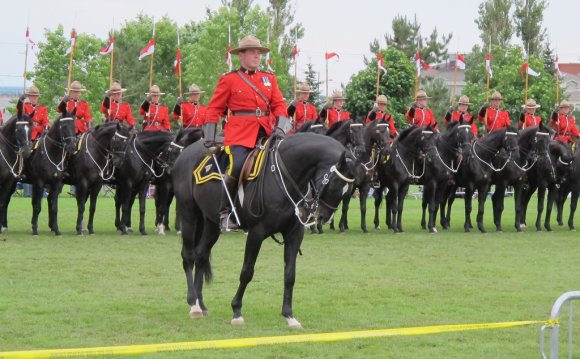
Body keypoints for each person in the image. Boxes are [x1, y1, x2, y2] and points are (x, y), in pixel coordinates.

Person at [204, 35, 289, 231]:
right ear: (241, 55)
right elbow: (214, 108)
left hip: (268, 131)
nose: (257, 55)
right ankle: (225, 212)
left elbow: (279, 105)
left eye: (259, 52)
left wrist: (281, 127)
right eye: (252, 52)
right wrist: (209, 134)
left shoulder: (269, 79)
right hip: (240, 134)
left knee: (286, 160)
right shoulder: (229, 79)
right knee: (238, 165)